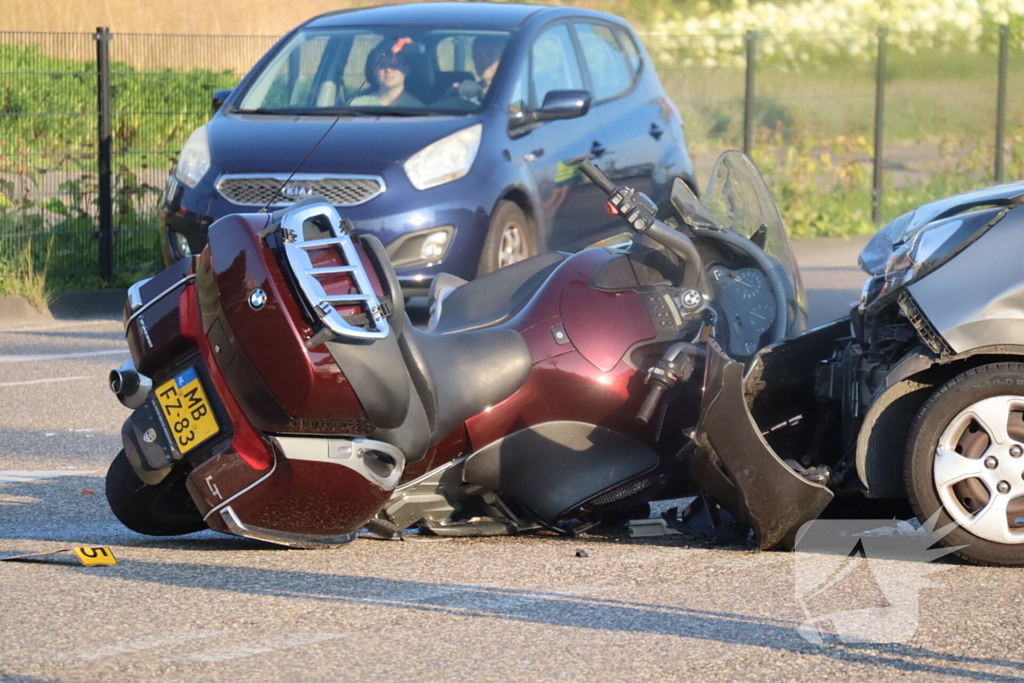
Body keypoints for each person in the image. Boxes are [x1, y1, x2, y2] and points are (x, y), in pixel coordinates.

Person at [433, 34, 507, 108]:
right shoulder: (462, 92)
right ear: (473, 59)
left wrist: (481, 94)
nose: (483, 60)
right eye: (477, 55)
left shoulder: (514, 93)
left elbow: (513, 112)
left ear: (503, 58)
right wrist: (451, 93)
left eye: (490, 54)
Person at [350, 39, 423, 108]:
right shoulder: (355, 106)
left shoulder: (419, 110)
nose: (388, 70)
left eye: (394, 65)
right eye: (382, 65)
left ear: (406, 69)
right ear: (374, 70)